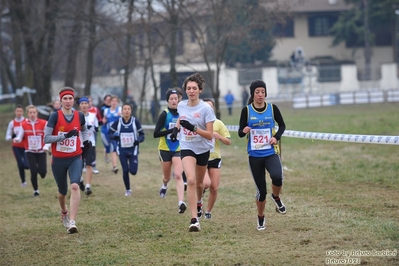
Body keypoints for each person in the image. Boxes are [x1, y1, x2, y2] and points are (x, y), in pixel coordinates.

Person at [238, 80, 286, 231]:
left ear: (265, 93)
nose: (260, 95)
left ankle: (276, 197)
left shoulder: (272, 109)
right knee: (261, 191)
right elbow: (240, 132)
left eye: (263, 92)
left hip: (271, 152)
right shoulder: (246, 110)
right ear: (252, 94)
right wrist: (244, 130)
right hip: (255, 155)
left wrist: (276, 137)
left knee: (278, 177)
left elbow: (282, 125)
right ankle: (260, 217)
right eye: (257, 92)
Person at [170, 73, 216, 232]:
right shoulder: (181, 105)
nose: (191, 91)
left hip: (203, 148)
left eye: (194, 88)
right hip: (187, 146)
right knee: (190, 180)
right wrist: (176, 129)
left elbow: (210, 135)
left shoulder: (206, 109)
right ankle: (194, 219)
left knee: (199, 183)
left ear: (200, 90)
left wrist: (193, 128)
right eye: (188, 88)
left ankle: (199, 200)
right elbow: (181, 118)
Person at [44, 87, 92, 234]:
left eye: (70, 98)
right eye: (65, 98)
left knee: (75, 186)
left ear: (74, 100)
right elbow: (46, 138)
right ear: (60, 100)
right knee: (62, 191)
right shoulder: (54, 116)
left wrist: (86, 140)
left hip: (75, 157)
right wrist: (65, 136)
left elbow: (83, 129)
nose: (68, 101)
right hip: (58, 159)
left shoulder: (79, 116)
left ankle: (72, 221)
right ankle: (64, 211)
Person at [153, 88, 186, 214]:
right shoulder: (164, 114)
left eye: (175, 99)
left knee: (178, 175)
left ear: (179, 100)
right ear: (167, 101)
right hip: (164, 149)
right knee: (167, 177)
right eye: (171, 99)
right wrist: (171, 131)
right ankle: (164, 185)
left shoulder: (183, 114)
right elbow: (156, 133)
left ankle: (181, 202)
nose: (173, 101)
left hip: (178, 149)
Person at [201, 98, 231, 219]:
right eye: (206, 106)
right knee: (206, 184)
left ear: (213, 108)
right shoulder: (199, 123)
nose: (209, 109)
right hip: (201, 157)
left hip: (215, 158)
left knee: (214, 187)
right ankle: (199, 199)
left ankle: (208, 211)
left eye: (211, 106)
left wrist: (219, 137)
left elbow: (228, 141)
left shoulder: (218, 123)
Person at [109, 103, 145, 196]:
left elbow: (142, 135)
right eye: (125, 109)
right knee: (125, 170)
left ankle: (131, 165)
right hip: (122, 150)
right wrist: (115, 137)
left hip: (133, 150)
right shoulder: (118, 122)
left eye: (128, 109)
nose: (126, 111)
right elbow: (110, 134)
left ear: (131, 111)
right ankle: (128, 189)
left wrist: (138, 140)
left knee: (133, 171)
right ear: (122, 111)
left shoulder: (135, 121)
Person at [14, 105, 48, 196]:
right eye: (30, 113)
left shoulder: (44, 123)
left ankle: (42, 173)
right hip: (30, 151)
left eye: (34, 112)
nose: (32, 114)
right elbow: (20, 136)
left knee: (43, 172)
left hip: (41, 151)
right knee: (33, 171)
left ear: (37, 113)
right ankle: (36, 190)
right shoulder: (23, 124)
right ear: (27, 114)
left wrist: (46, 146)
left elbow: (48, 136)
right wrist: (17, 139)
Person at [78, 97, 99, 196]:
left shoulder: (93, 116)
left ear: (88, 105)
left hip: (90, 143)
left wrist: (93, 128)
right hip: (79, 144)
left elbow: (97, 128)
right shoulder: (75, 116)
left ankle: (88, 186)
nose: (84, 105)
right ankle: (81, 180)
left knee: (89, 165)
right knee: (79, 166)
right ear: (79, 105)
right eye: (82, 103)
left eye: (86, 103)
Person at [5, 105, 29, 187]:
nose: (19, 113)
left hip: (25, 146)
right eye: (17, 111)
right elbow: (7, 137)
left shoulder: (27, 121)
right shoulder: (12, 123)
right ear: (15, 112)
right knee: (20, 164)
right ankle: (23, 181)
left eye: (20, 111)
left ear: (23, 112)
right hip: (16, 147)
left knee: (26, 165)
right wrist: (12, 136)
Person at [102, 95, 121, 173]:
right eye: (112, 101)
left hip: (119, 133)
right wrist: (103, 121)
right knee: (114, 149)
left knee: (117, 149)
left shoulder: (120, 110)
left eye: (115, 101)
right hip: (111, 133)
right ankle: (115, 166)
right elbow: (104, 120)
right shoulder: (106, 111)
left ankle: (114, 164)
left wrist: (122, 115)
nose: (114, 103)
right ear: (110, 102)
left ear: (117, 102)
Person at [87, 96, 102, 174]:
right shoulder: (80, 111)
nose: (88, 103)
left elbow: (99, 119)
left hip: (92, 133)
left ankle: (93, 165)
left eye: (90, 101)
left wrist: (99, 124)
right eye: (87, 101)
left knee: (92, 148)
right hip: (82, 134)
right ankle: (84, 165)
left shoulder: (95, 110)